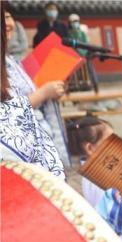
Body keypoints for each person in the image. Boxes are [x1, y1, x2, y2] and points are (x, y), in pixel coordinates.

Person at [1, 8, 63, 178]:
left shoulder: (11, 60)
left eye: (8, 16)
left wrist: (52, 91)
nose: (7, 23)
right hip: (16, 155)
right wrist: (43, 93)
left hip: (38, 145)